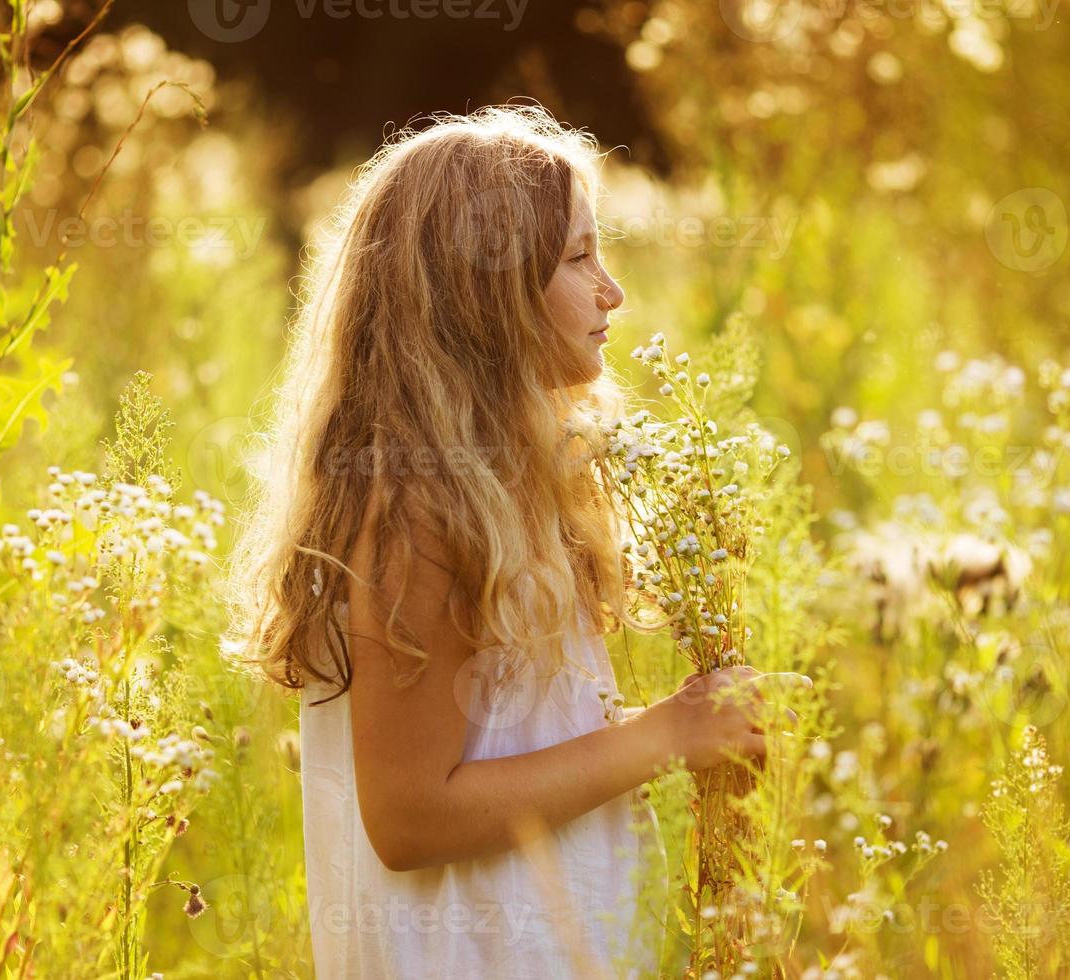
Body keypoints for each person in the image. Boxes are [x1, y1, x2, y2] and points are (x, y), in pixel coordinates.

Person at [225, 103, 809, 979]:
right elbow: (410, 819)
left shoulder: (513, 484)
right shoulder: (417, 507)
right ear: (483, 290)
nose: (612, 291)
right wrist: (667, 736)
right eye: (579, 257)